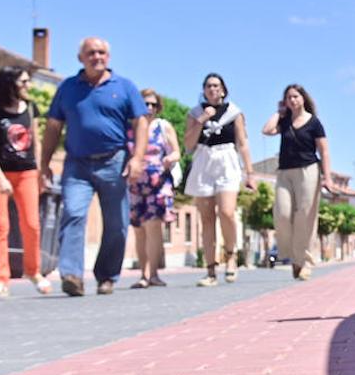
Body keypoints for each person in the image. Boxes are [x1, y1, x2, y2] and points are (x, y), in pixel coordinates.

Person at [39, 37, 148, 297]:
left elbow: (141, 122)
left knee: (116, 223)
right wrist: (43, 164)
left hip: (114, 162)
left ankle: (107, 276)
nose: (96, 57)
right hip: (77, 165)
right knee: (74, 214)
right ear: (80, 58)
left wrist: (137, 158)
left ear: (108, 57)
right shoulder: (67, 88)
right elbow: (54, 127)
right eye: (91, 53)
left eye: (101, 53)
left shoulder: (124, 87)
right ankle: (72, 274)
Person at [0, 66, 50, 298]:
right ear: (10, 84)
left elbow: (36, 143)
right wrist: (0, 178)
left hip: (27, 173)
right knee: (0, 226)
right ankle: (0, 279)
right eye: (23, 82)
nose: (28, 86)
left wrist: (41, 173)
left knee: (31, 224)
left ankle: (34, 272)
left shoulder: (30, 108)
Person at [184, 73, 255, 286]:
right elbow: (188, 144)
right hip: (204, 160)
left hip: (227, 160)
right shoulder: (195, 114)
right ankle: (210, 269)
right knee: (206, 219)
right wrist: (201, 120)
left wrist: (250, 173)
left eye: (216, 86)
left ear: (223, 90)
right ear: (203, 90)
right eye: (208, 86)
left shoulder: (234, 113)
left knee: (226, 212)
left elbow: (243, 143)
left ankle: (231, 256)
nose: (212, 89)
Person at [261, 84, 333, 280]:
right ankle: (293, 257)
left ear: (303, 98)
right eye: (289, 98)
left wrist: (327, 177)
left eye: (295, 96)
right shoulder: (283, 121)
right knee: (282, 214)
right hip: (284, 172)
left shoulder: (314, 122)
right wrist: (279, 112)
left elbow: (324, 151)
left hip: (308, 170)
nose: (292, 100)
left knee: (305, 215)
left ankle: (304, 262)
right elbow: (267, 130)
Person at [127, 89, 180, 289]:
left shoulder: (163, 126)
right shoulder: (131, 127)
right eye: (145, 104)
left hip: (158, 184)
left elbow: (176, 152)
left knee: (153, 227)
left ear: (158, 107)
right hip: (134, 184)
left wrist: (169, 159)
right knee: (139, 230)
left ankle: (154, 274)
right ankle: (143, 274)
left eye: (153, 105)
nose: (149, 108)